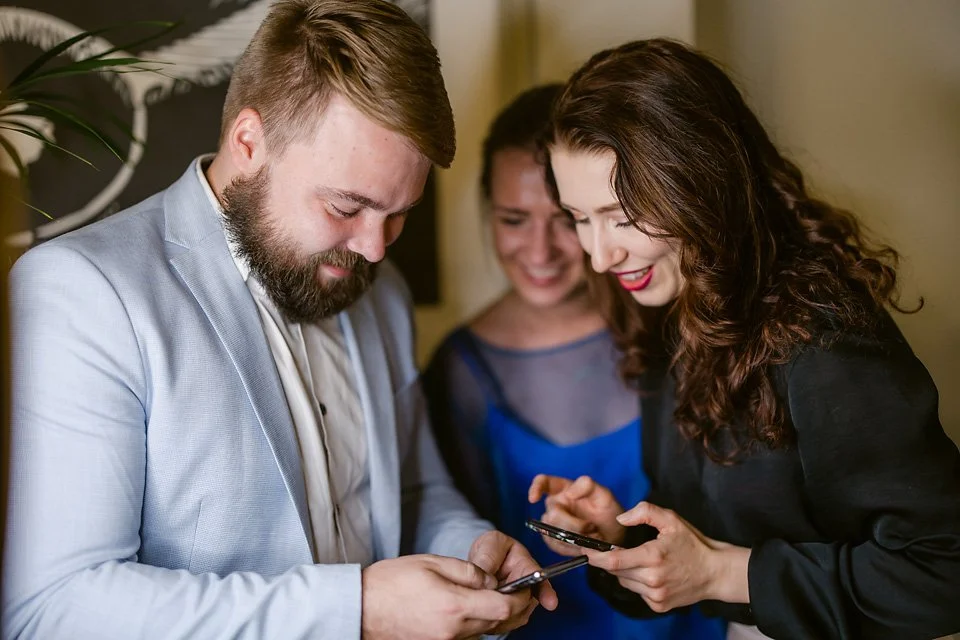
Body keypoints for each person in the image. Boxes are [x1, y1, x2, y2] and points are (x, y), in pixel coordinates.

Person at [1, 1, 559, 638]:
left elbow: (413, 491)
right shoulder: (85, 292)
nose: (376, 248)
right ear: (248, 142)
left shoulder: (383, 290)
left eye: (399, 213)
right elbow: (56, 608)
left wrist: (472, 551)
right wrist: (357, 610)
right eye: (347, 205)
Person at [528, 38, 960, 640]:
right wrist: (623, 540)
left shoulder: (825, 339)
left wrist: (722, 574)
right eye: (579, 218)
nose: (600, 256)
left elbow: (944, 573)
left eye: (623, 216)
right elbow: (708, 551)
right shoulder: (673, 315)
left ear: (701, 185)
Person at [422, 85, 724, 639]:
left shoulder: (667, 321)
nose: (539, 251)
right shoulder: (459, 370)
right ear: (487, 211)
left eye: (564, 220)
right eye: (514, 219)